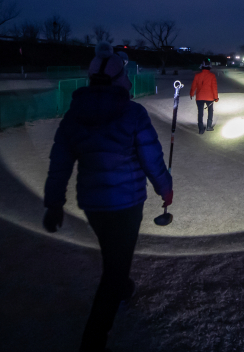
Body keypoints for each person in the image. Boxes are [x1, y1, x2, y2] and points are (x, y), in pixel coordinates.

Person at [43, 41, 173, 352]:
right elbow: (152, 159)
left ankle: (123, 284)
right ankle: (93, 340)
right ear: (119, 79)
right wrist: (165, 188)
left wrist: (54, 203)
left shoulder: (74, 116)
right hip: (127, 203)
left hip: (93, 204)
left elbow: (60, 163)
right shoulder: (133, 113)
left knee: (114, 255)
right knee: (114, 268)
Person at [190, 59, 219, 134]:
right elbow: (214, 87)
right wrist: (216, 97)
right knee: (210, 111)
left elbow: (194, 86)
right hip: (210, 98)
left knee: (200, 112)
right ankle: (209, 126)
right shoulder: (212, 76)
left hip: (199, 97)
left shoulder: (197, 75)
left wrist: (192, 93)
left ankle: (201, 128)